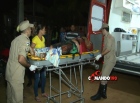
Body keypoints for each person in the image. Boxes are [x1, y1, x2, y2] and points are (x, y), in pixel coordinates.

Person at [5, 20, 38, 103]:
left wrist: (30, 48)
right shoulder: (25, 41)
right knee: (17, 100)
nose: (31, 30)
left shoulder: (15, 40)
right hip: (16, 75)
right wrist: (30, 66)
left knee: (10, 99)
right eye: (30, 29)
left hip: (9, 73)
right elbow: (21, 59)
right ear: (27, 30)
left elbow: (17, 52)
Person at [90, 23, 116, 101]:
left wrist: (100, 55)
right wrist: (99, 55)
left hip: (110, 60)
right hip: (107, 60)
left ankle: (99, 95)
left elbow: (108, 49)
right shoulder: (106, 37)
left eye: (102, 30)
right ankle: (103, 93)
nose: (101, 32)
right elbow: (105, 49)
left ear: (104, 30)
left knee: (103, 78)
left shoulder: (110, 38)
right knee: (103, 76)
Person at [31, 24, 48, 102]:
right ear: (40, 30)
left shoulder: (43, 38)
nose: (45, 31)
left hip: (43, 62)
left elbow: (43, 49)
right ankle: (36, 95)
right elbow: (31, 50)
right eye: (44, 29)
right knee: (37, 79)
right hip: (37, 63)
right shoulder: (35, 39)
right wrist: (38, 54)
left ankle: (43, 92)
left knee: (43, 77)